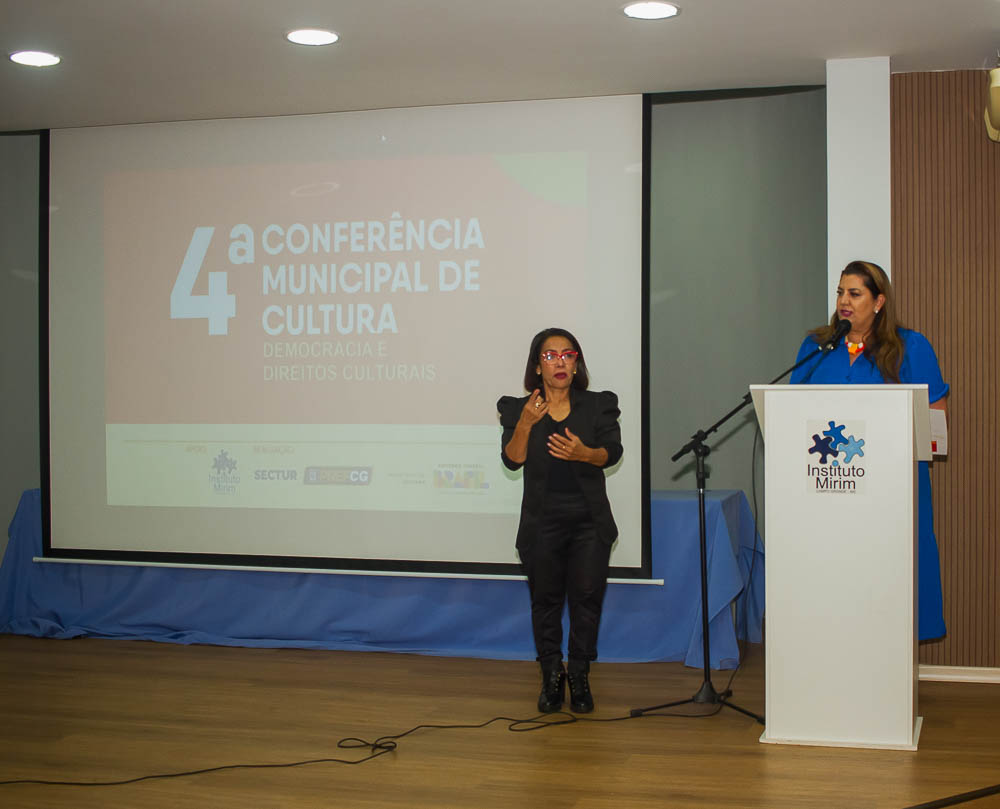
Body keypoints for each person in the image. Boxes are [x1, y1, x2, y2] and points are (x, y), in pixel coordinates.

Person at [790, 260, 948, 641]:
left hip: (892, 491)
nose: (844, 301)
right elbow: (791, 412)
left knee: (890, 580)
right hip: (827, 487)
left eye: (854, 294)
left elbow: (936, 428)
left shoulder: (911, 346)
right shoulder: (816, 347)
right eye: (840, 292)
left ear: (878, 301)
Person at [497, 328, 623, 713]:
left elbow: (612, 453)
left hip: (588, 522)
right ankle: (551, 676)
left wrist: (586, 453)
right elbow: (512, 459)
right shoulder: (518, 408)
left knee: (586, 601)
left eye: (567, 354)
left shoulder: (599, 405)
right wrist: (526, 424)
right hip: (542, 524)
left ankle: (580, 676)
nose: (560, 362)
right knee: (546, 602)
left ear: (576, 362)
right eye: (550, 356)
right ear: (537, 366)